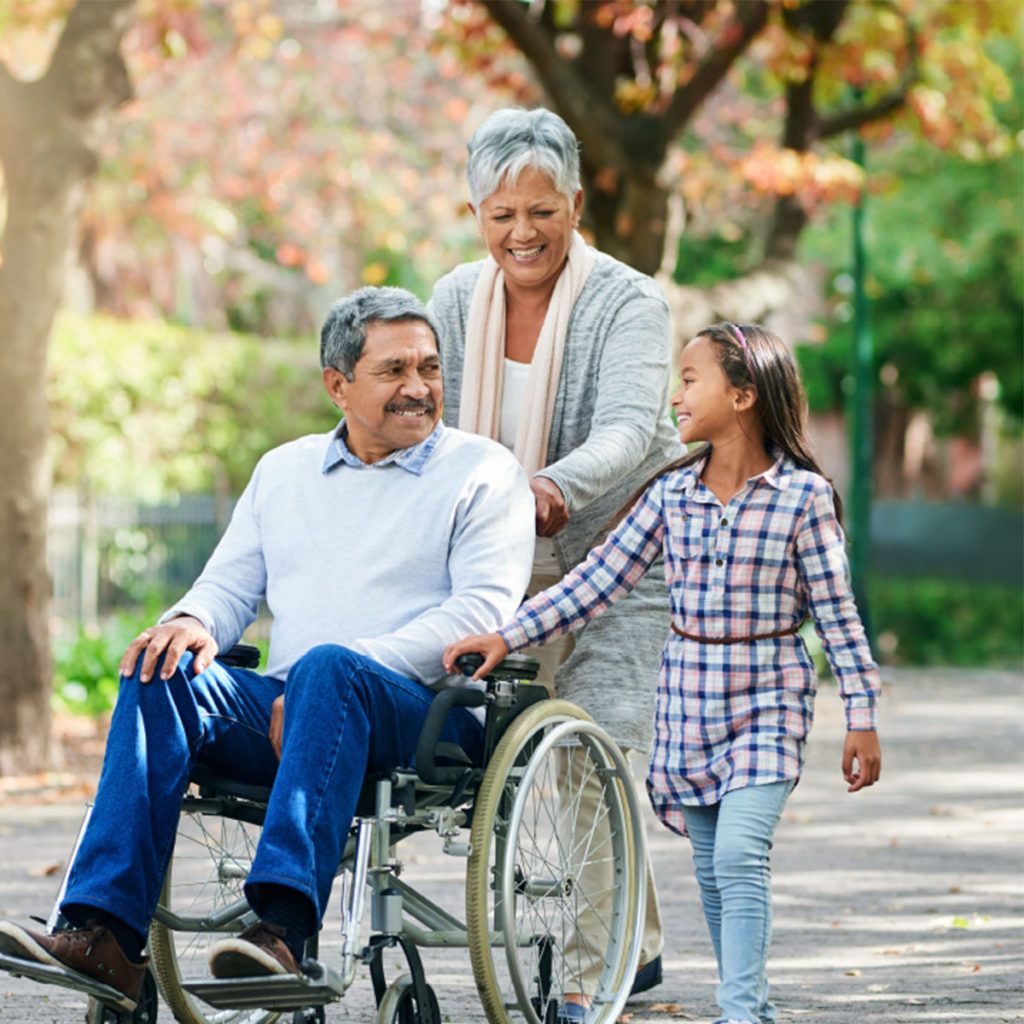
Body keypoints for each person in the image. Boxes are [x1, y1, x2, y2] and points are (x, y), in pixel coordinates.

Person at [0, 286, 535, 1011]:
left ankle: (281, 931)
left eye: (430, 368)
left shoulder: (483, 471)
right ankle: (102, 934)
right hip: (292, 705)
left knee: (326, 668)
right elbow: (226, 588)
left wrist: (341, 672)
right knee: (160, 669)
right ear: (337, 385)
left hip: (421, 715)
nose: (419, 387)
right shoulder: (283, 471)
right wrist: (189, 621)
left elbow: (478, 614)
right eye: (394, 371)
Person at [444, 322, 883, 1024]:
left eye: (689, 379)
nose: (675, 396)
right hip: (687, 704)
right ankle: (752, 1007)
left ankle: (743, 1011)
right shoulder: (671, 494)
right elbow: (595, 583)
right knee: (713, 869)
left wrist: (861, 716)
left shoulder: (802, 499)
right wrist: (509, 634)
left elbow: (839, 617)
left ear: (742, 395)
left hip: (768, 701)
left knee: (740, 855)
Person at [428, 106, 680, 1013]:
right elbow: (427, 415)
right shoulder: (454, 300)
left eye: (542, 211)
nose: (523, 233)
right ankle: (634, 947)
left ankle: (585, 983)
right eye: (502, 216)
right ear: (476, 217)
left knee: (589, 755)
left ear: (575, 203)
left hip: (622, 565)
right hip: (500, 568)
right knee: (532, 765)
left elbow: (625, 431)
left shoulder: (630, 301)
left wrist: (550, 488)